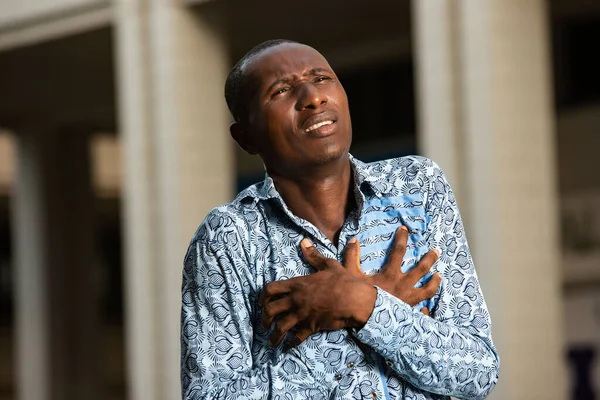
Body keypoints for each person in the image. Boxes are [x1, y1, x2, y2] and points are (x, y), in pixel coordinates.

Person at [181, 39, 499, 400]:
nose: (312, 97)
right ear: (246, 137)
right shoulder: (228, 237)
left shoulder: (418, 187)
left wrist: (362, 304)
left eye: (321, 79)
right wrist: (358, 315)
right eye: (281, 90)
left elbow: (477, 371)